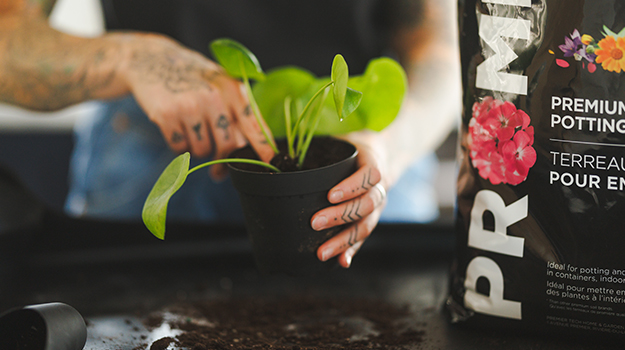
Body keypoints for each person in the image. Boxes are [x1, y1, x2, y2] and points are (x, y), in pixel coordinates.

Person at [0, 0, 461, 268]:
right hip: (152, 137)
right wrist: (127, 58)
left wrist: (392, 146)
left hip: (359, 151)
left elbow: (438, 45)